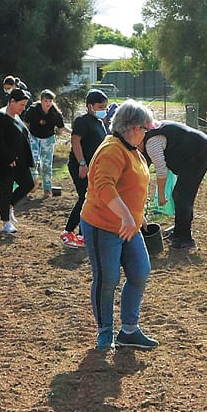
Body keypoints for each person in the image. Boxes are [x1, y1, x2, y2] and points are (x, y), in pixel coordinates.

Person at [81, 99, 159, 352]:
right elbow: (104, 186)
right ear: (134, 127)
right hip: (103, 224)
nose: (146, 134)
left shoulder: (133, 150)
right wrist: (126, 215)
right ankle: (105, 332)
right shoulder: (112, 150)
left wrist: (137, 215)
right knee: (108, 278)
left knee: (140, 271)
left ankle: (129, 330)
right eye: (145, 129)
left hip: (128, 225)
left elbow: (132, 186)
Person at [144, 119, 207, 251]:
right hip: (191, 152)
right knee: (179, 194)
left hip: (199, 152)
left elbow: (161, 170)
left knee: (182, 195)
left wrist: (160, 195)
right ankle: (178, 232)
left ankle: (185, 238)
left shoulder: (151, 141)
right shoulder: (146, 134)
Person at [63, 89, 108, 249]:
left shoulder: (99, 123)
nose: (104, 109)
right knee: (85, 199)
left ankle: (84, 234)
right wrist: (82, 163)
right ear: (90, 106)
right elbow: (75, 141)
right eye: (100, 106)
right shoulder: (83, 121)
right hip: (80, 167)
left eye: (105, 106)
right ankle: (69, 232)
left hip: (94, 168)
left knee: (90, 200)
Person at [0, 87, 34, 234]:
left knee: (28, 184)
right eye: (21, 104)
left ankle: (10, 206)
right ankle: (6, 222)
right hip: (3, 164)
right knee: (6, 191)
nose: (23, 108)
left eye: (25, 105)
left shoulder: (16, 115)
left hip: (19, 162)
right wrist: (8, 157)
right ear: (12, 101)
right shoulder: (0, 117)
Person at [23, 89, 67, 198]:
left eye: (50, 101)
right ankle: (30, 187)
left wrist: (74, 132)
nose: (48, 104)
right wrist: (22, 136)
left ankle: (47, 189)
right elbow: (25, 124)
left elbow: (62, 128)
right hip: (34, 137)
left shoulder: (55, 113)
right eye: (46, 101)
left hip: (48, 139)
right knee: (33, 162)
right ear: (41, 100)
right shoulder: (33, 110)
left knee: (47, 165)